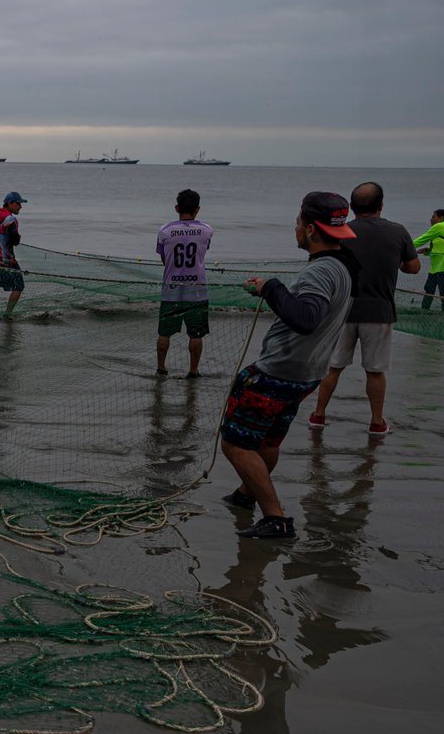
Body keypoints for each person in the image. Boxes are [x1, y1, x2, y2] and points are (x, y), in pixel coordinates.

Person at [220, 192, 360, 540]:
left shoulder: (320, 272)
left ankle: (275, 517)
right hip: (307, 373)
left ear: (311, 229)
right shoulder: (343, 263)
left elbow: (305, 318)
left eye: (298, 222)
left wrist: (272, 286)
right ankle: (245, 495)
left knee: (236, 445)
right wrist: (270, 290)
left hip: (278, 373)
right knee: (266, 442)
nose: (295, 228)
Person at [306, 182, 421, 435]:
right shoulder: (398, 231)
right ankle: (377, 422)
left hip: (341, 310)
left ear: (352, 207)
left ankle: (318, 416)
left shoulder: (340, 233)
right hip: (379, 312)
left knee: (333, 367)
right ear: (381, 205)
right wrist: (398, 262)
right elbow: (414, 267)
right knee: (375, 371)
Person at [155, 189, 213, 378]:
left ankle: (161, 368)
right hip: (197, 291)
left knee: (165, 332)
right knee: (196, 334)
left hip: (171, 290)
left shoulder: (165, 231)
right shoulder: (206, 230)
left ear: (177, 208)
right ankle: (193, 370)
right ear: (197, 209)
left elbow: (165, 260)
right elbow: (202, 254)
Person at [413, 209, 444, 312]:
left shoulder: (440, 226)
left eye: (433, 217)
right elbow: (442, 245)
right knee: (429, 288)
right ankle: (424, 310)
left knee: (443, 290)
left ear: (441, 218)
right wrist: (428, 250)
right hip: (436, 266)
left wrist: (403, 245)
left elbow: (422, 239)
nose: (430, 219)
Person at [0, 191, 27, 316]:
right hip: (7, 261)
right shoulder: (10, 219)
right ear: (9, 203)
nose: (20, 207)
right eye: (18, 204)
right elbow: (15, 241)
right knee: (19, 286)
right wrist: (18, 236)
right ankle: (8, 314)